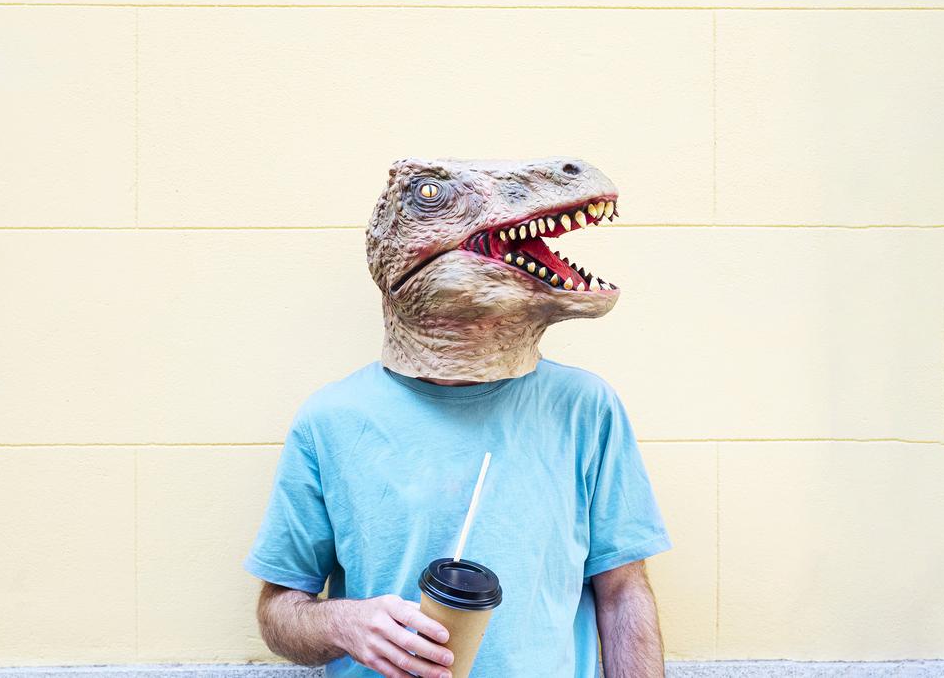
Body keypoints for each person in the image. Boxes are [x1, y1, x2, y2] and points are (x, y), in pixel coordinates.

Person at [244, 158, 671, 677]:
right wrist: (344, 624)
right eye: (432, 195)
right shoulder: (329, 420)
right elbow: (279, 611)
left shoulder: (586, 408)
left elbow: (623, 593)